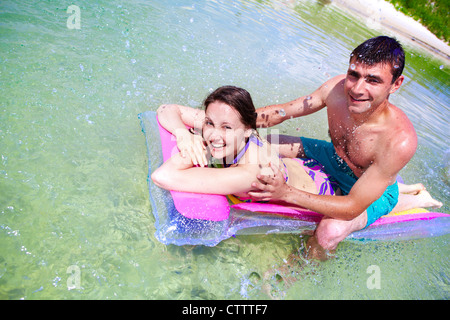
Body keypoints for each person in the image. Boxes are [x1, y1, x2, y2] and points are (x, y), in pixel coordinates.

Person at [248, 36, 442, 261]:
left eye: (373, 80)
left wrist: (285, 193)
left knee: (329, 232)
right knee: (263, 140)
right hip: (334, 157)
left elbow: (351, 207)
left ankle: (285, 282)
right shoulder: (335, 89)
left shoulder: (399, 140)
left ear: (396, 85)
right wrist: (225, 124)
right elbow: (280, 113)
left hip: (367, 189)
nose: (358, 89)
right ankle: (406, 188)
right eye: (354, 74)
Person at [151, 86, 338, 200]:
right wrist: (183, 135)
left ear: (249, 128)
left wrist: (195, 148)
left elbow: (161, 177)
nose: (214, 135)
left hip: (324, 191)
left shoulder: (251, 173)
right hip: (302, 168)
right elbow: (167, 109)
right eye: (208, 123)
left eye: (227, 128)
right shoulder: (225, 123)